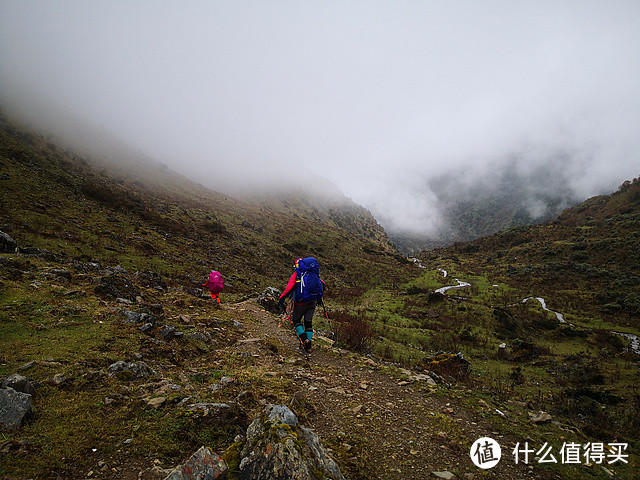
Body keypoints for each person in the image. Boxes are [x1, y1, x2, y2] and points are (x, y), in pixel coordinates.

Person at [278, 257, 324, 352]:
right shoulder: (313, 273)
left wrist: (281, 298)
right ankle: (309, 345)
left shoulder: (297, 274)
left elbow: (289, 288)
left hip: (300, 302)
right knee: (308, 322)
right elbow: (322, 284)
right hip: (313, 302)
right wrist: (319, 298)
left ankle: (304, 340)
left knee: (296, 320)